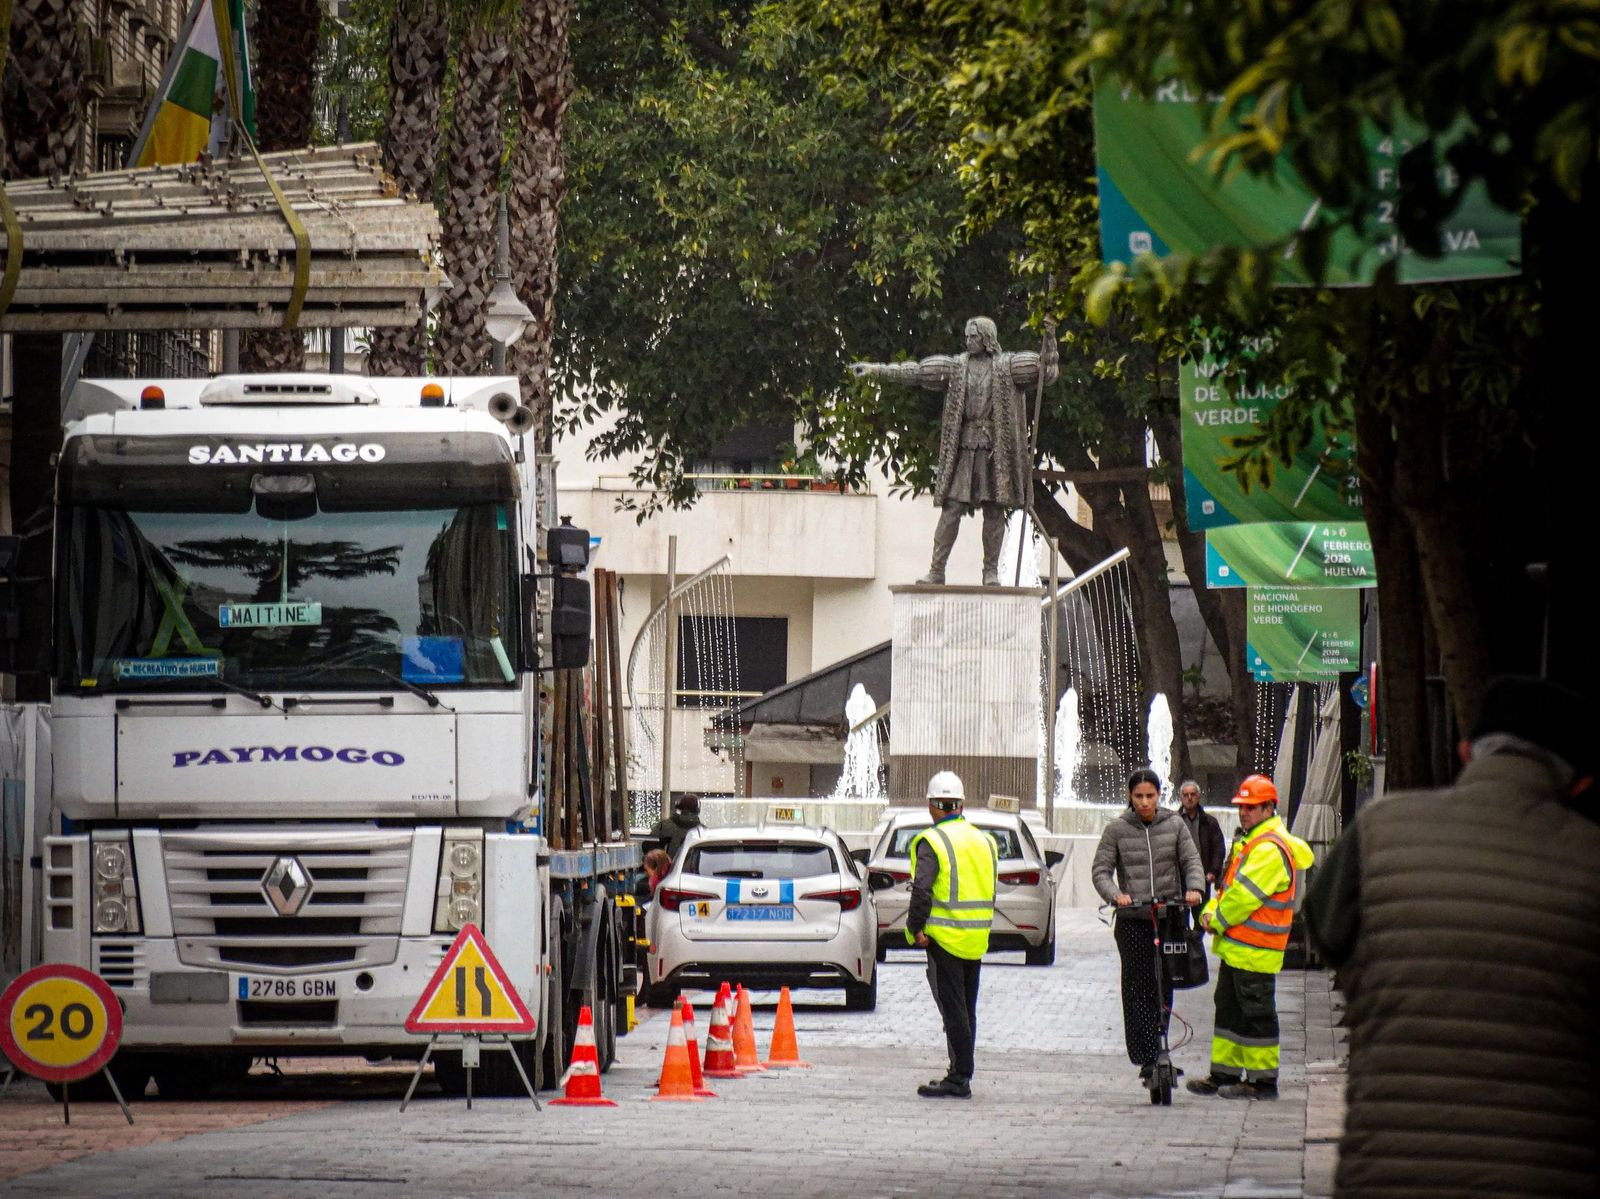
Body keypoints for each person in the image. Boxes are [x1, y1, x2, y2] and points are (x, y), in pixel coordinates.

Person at [1305, 676, 1600, 1197]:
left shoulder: (1380, 829)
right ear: (1579, 783)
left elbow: (1325, 928)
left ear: (1466, 752)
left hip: (1391, 1167)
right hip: (1543, 1174)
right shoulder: (1589, 856)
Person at [850, 316, 1058, 586]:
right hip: (964, 449)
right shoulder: (957, 367)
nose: (968, 341)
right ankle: (937, 570)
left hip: (994, 452)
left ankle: (990, 572)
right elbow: (915, 372)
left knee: (994, 510)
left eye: (973, 336)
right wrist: (875, 369)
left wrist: (1050, 338)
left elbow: (1047, 372)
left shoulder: (1008, 366)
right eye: (967, 336)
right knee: (951, 509)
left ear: (986, 338)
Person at [1187, 774, 1314, 1101]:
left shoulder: (1269, 848)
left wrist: (1215, 918)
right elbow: (1229, 887)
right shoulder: (1252, 842)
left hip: (1256, 952)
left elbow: (1244, 897)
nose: (1244, 812)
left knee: (1256, 1016)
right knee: (1230, 1013)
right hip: (1239, 950)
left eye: (1251, 807)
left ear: (1269, 807)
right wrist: (1211, 909)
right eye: (1242, 806)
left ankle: (1262, 1082)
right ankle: (1223, 1074)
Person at [1092, 767, 1205, 1087]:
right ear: (1130, 796)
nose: (1144, 802)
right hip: (1134, 920)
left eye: (1150, 796)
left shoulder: (1175, 824)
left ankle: (1161, 1046)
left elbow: (1191, 861)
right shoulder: (1117, 829)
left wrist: (1194, 889)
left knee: (1164, 983)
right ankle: (1145, 1055)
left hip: (1168, 916)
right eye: (1138, 796)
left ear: (1159, 796)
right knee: (1138, 986)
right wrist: (1117, 895)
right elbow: (1101, 870)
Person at [907, 770, 998, 1099]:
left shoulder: (933, 841)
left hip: (944, 938)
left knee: (953, 1008)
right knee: (967, 1008)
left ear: (932, 806)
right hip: (977, 937)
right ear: (961, 804)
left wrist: (915, 927)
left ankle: (960, 1076)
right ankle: (960, 1070)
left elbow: (922, 888)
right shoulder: (985, 840)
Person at [1177, 778, 1226, 897]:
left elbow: (1218, 848)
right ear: (1181, 798)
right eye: (1186, 795)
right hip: (1179, 879)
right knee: (1180, 914)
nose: (1189, 798)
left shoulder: (1209, 822)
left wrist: (1213, 871)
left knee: (1203, 913)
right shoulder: (1174, 821)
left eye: (1193, 794)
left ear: (1198, 797)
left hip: (1203, 877)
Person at [650, 794, 701, 858]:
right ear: (697, 810)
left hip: (668, 867)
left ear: (678, 807)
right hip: (695, 867)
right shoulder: (703, 832)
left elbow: (649, 847)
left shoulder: (663, 826)